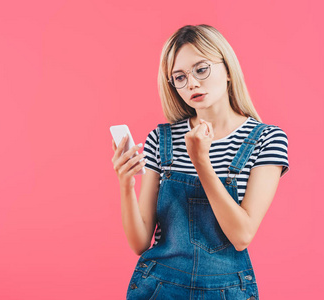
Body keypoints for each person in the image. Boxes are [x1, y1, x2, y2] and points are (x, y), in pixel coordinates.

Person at [111, 24, 289, 300]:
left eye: (201, 69)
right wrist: (125, 184)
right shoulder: (162, 139)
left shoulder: (267, 139)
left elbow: (242, 234)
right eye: (179, 77)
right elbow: (140, 241)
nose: (192, 83)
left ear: (227, 69)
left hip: (226, 291)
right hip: (158, 287)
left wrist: (201, 161)